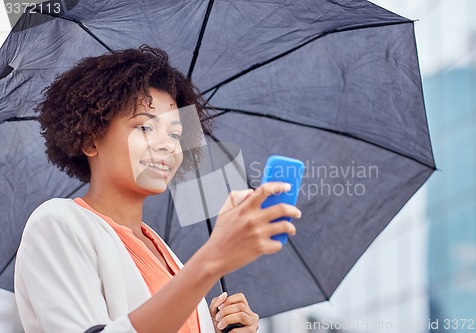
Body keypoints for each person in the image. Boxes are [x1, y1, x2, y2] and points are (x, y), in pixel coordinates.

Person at [13, 45, 301, 333]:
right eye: (145, 128)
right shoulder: (57, 222)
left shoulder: (163, 252)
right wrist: (211, 260)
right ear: (90, 140)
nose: (168, 145)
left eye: (175, 133)